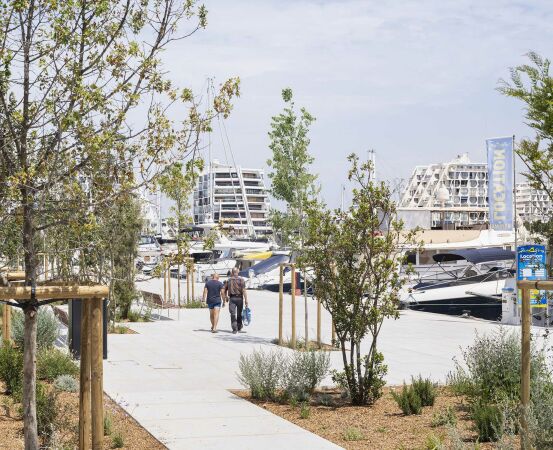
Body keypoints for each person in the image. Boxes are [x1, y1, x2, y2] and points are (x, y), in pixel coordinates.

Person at [224, 267, 248, 334]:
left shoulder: (228, 280)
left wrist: (226, 297)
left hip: (232, 298)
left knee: (232, 314)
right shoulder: (242, 280)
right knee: (239, 314)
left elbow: (224, 290)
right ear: (238, 272)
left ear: (232, 272)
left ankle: (234, 329)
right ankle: (239, 327)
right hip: (240, 298)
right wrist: (246, 300)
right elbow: (243, 290)